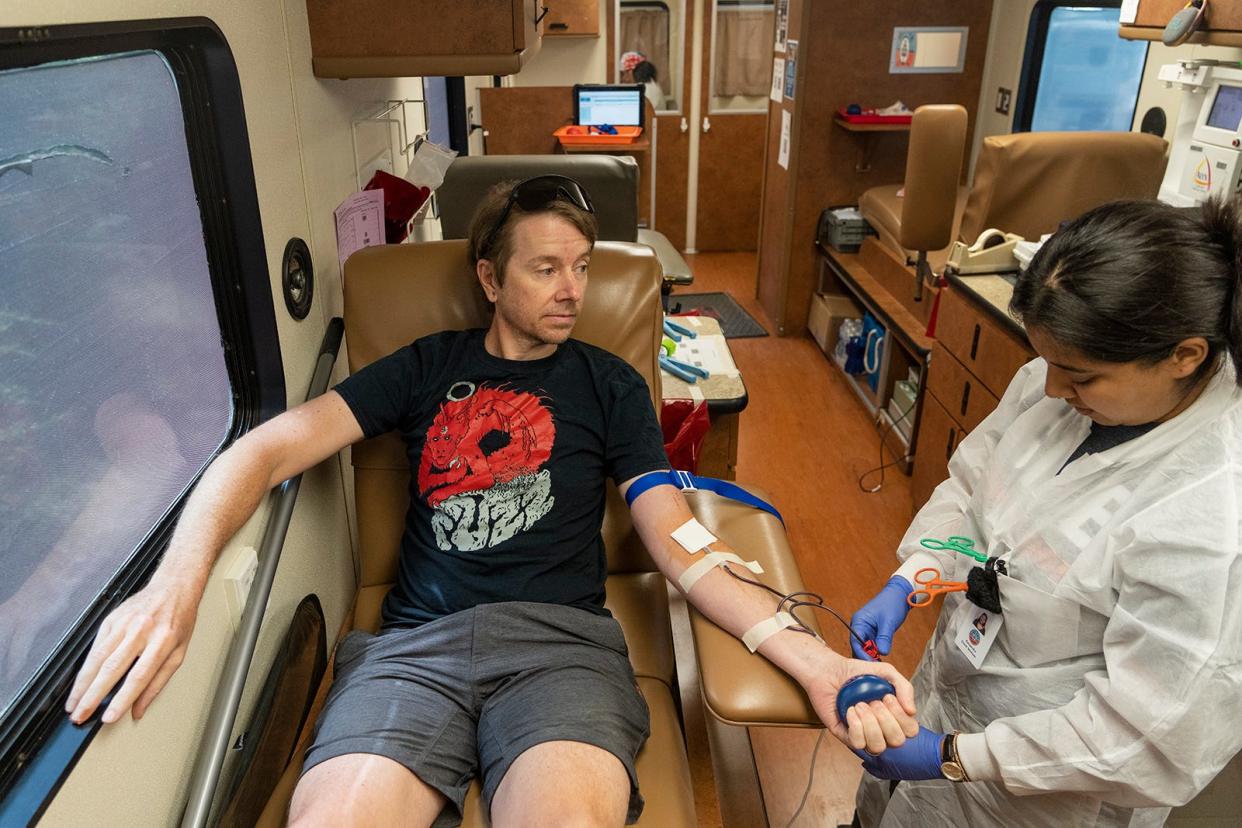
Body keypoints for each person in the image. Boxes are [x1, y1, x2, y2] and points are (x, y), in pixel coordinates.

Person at [65, 175, 918, 827]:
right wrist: (173, 589)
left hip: (561, 649)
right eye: (546, 268)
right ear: (489, 276)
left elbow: (674, 539)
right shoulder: (425, 367)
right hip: (413, 651)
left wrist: (815, 660)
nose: (573, 290)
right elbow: (264, 448)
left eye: (582, 268)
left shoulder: (609, 383)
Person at [848, 196, 1242, 827]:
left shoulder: (1212, 517)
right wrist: (913, 574)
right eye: (1049, 362)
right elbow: (973, 492)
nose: (1052, 388)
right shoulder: (1051, 386)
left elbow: (1152, 735)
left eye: (1080, 376)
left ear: (1184, 356)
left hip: (1049, 786)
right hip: (953, 687)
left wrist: (952, 756)